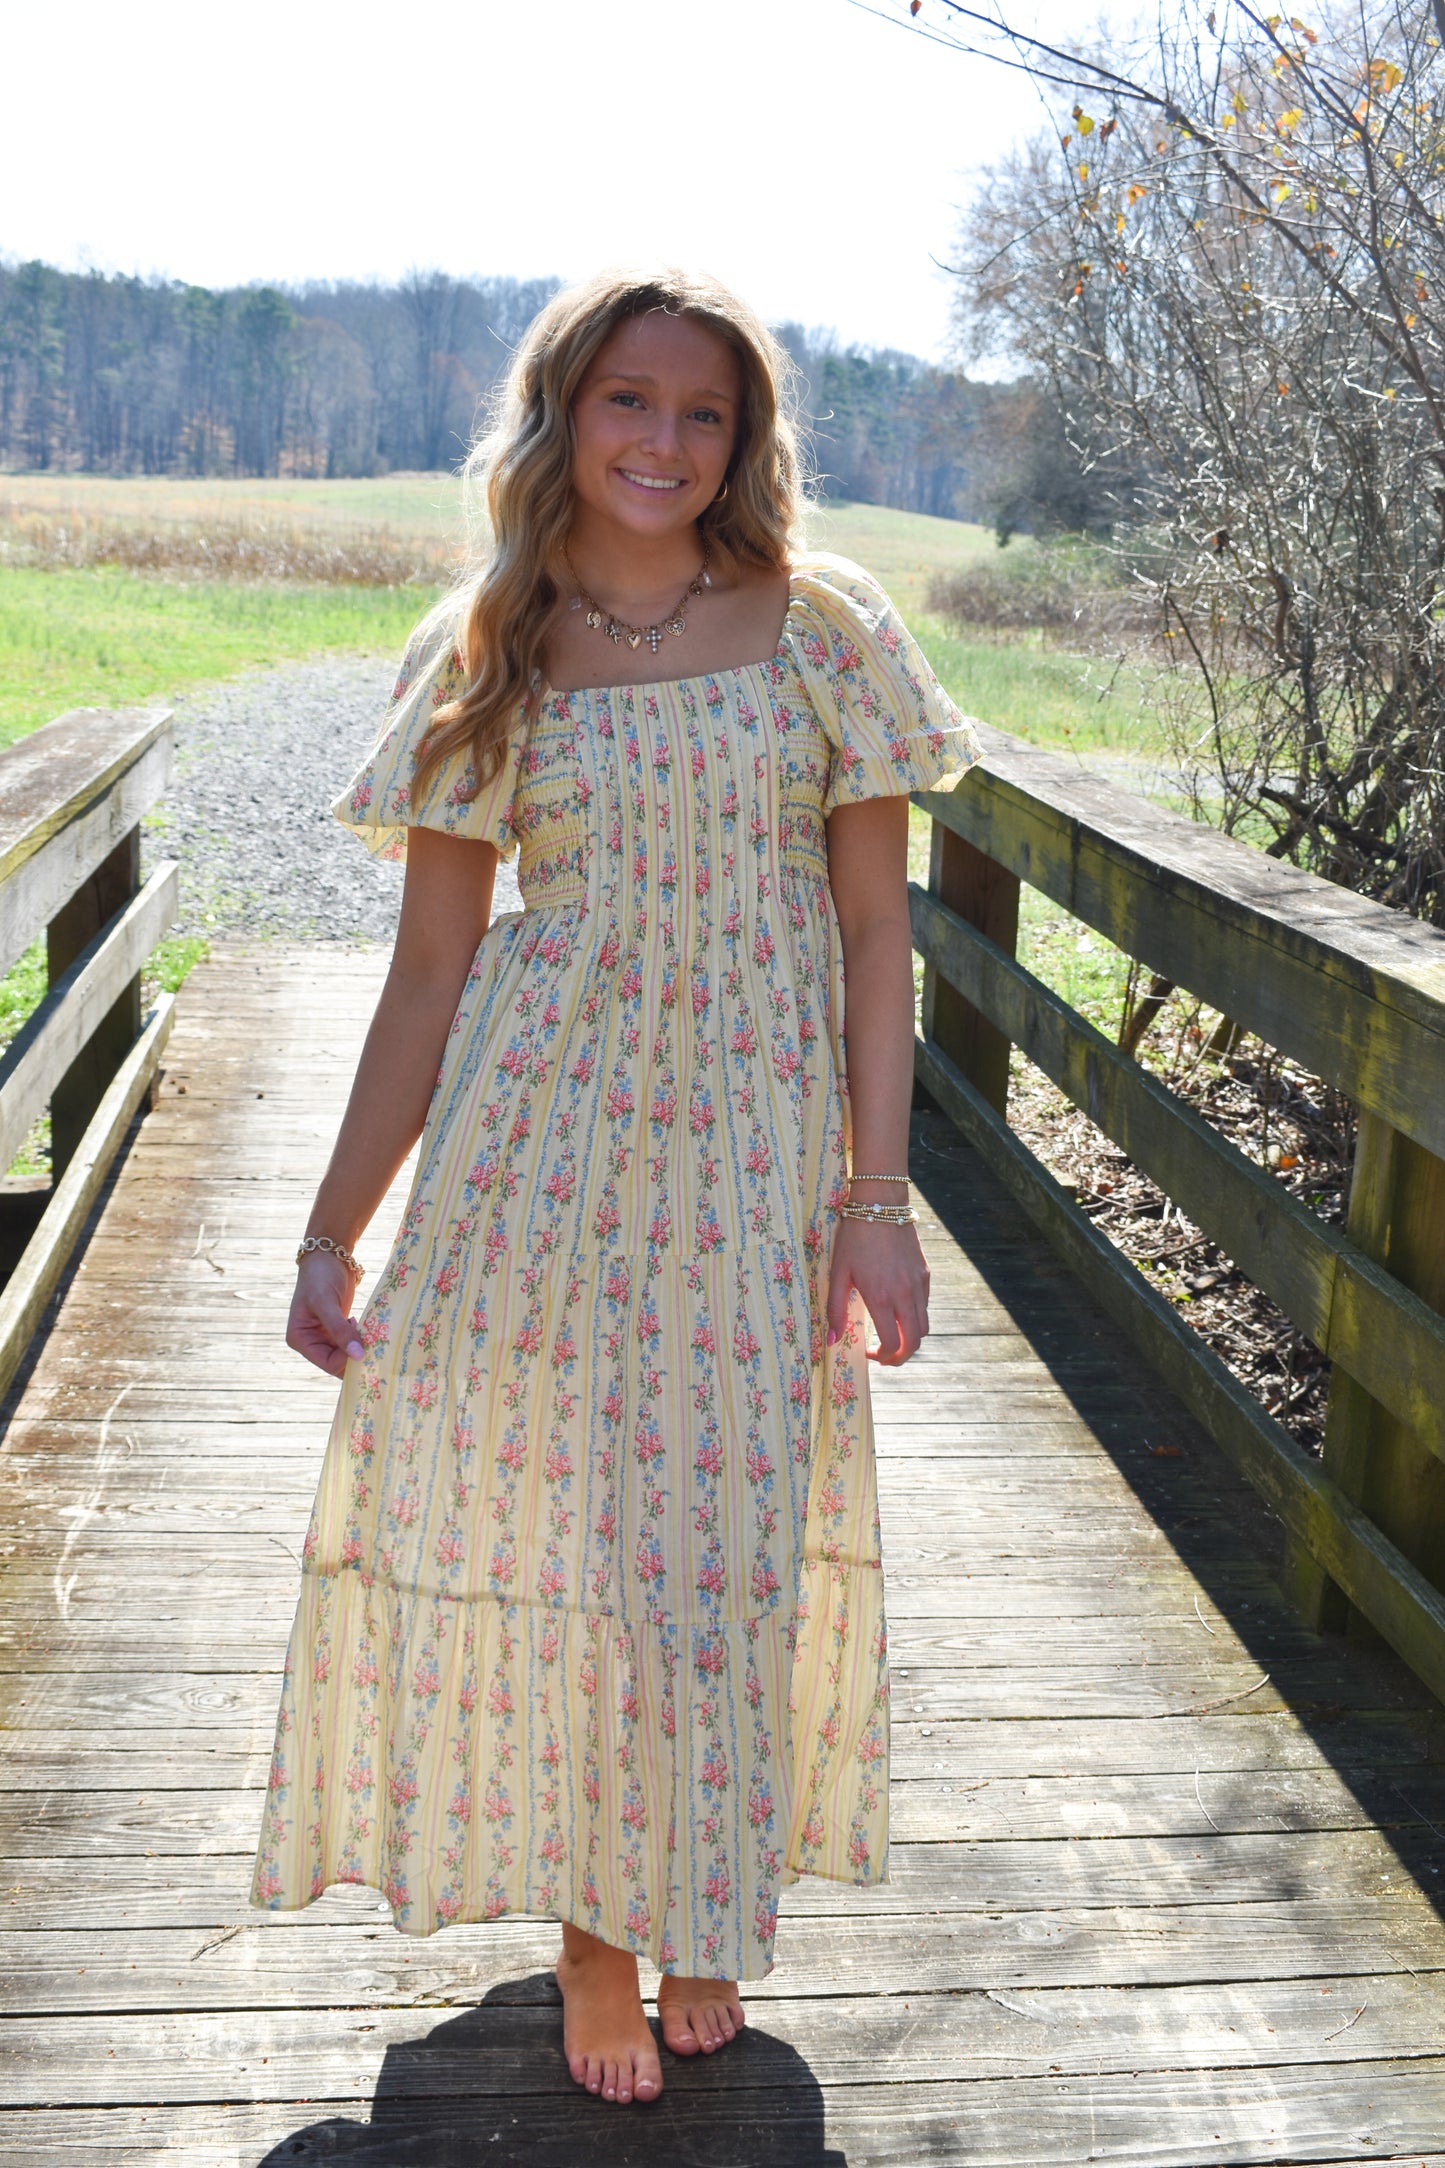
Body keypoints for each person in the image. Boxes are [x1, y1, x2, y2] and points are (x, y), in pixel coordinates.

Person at [251, 265, 983, 2107]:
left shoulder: (824, 627)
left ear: (744, 440)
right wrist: (334, 1230)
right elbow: (429, 972)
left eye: (703, 412)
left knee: (723, 1540)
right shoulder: (486, 645)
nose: (665, 441)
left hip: (756, 1153)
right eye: (628, 401)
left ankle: (698, 1890)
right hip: (543, 1148)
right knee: (579, 1536)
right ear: (563, 415)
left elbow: (875, 932)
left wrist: (877, 1200)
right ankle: (596, 1929)